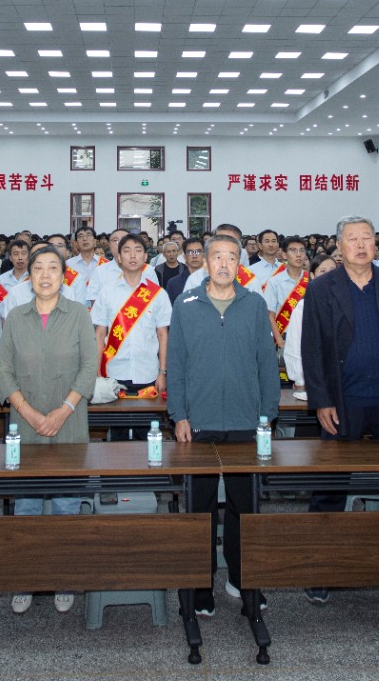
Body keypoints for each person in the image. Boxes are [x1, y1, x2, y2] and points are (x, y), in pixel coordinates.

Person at [299, 216, 379, 606]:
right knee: (330, 488)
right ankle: (320, 569)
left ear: (377, 245)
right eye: (352, 239)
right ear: (339, 247)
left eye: (367, 238)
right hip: (343, 402)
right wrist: (322, 400)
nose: (360, 245)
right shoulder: (321, 288)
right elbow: (312, 348)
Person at [168, 232, 280, 615]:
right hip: (197, 423)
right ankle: (201, 585)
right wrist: (179, 415)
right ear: (205, 261)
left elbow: (267, 364)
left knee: (243, 506)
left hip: (245, 421)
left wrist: (266, 417)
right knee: (200, 508)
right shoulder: (186, 304)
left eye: (232, 257)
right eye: (217, 256)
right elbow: (176, 364)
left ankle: (242, 579)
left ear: (239, 263)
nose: (224, 264)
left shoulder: (254, 304)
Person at [0, 245, 98, 615]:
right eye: (38, 268)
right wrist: (28, 412)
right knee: (26, 506)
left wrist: (64, 409)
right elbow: (4, 369)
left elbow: (90, 365)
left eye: (53, 267)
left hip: (69, 422)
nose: (45, 274)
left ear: (63, 276)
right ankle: (26, 577)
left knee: (66, 504)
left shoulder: (79, 314)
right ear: (29, 276)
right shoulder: (16, 316)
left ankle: (63, 576)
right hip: (25, 426)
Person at [92, 234, 172, 400]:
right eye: (127, 251)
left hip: (149, 374)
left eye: (138, 250)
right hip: (113, 373)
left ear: (145, 257)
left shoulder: (158, 294)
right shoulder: (107, 293)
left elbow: (163, 335)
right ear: (119, 258)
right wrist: (97, 371)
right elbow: (99, 335)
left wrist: (162, 372)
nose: (133, 255)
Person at [281, 257, 339, 399]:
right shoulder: (303, 307)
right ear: (312, 275)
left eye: (332, 271)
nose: (328, 275)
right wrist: (300, 381)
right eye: (322, 271)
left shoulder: (346, 303)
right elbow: (294, 346)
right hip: (313, 380)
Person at [265, 237, 311, 350]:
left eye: (301, 250)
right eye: (293, 250)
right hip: (285, 337)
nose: (298, 254)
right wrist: (280, 341)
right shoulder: (274, 282)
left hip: (309, 336)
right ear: (284, 255)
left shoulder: (311, 280)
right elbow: (270, 315)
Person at [166, 238, 205, 303]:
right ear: (185, 257)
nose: (194, 256)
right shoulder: (174, 283)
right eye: (190, 252)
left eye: (198, 252)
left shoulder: (213, 280)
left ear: (204, 255)